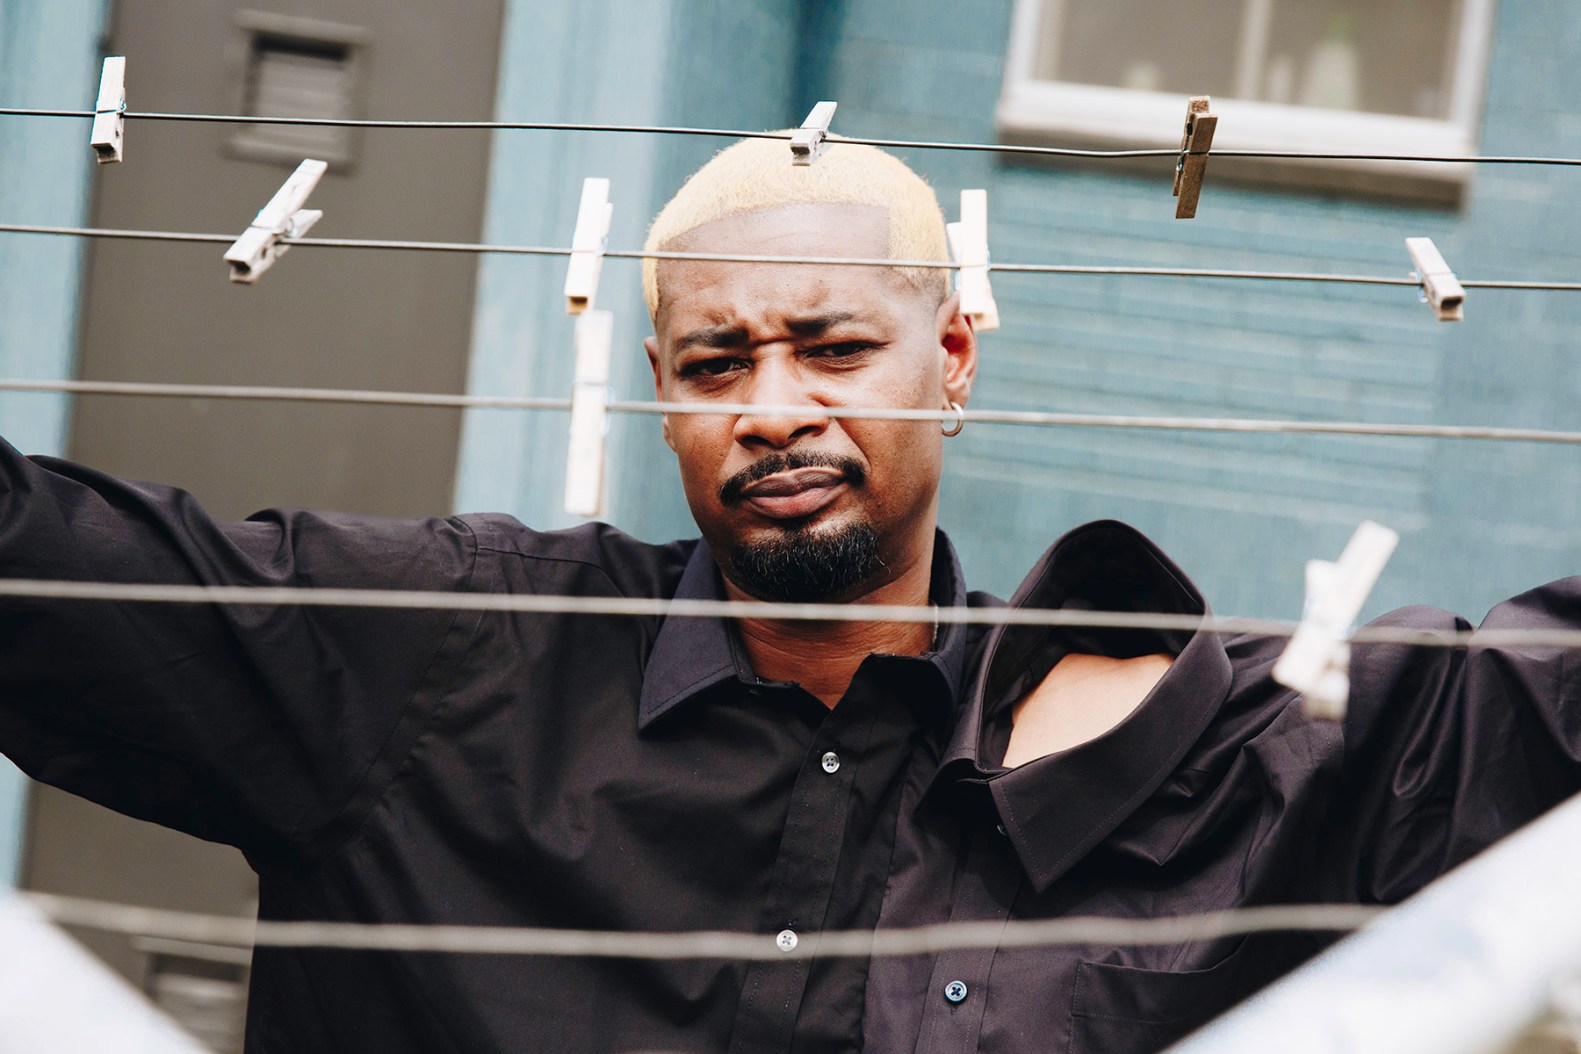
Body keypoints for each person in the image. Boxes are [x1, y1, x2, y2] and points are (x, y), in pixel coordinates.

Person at [1, 135, 1579, 1054]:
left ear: (949, 359)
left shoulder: (1207, 747)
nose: (770, 408)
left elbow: (1540, 700)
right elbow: (50, 564)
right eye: (715, 363)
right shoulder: (447, 657)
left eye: (831, 349)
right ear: (659, 393)